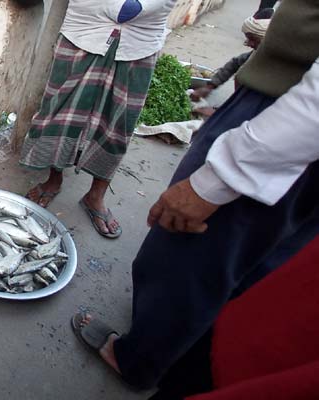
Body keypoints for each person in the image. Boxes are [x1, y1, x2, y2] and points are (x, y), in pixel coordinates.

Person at [72, 0, 319, 390]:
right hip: (293, 124)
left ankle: (138, 359)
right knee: (260, 265)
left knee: (187, 254)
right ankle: (193, 352)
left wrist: (217, 179)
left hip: (286, 127)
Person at [19, 0, 178, 239]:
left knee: (117, 124)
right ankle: (54, 179)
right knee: (61, 112)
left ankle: (95, 196)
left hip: (140, 43)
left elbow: (129, 10)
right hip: (84, 30)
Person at [191, 8, 274, 101]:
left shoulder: (279, 63)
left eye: (253, 39)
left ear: (267, 38)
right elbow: (235, 63)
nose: (248, 44)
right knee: (241, 72)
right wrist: (210, 86)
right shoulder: (256, 53)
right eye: (248, 39)